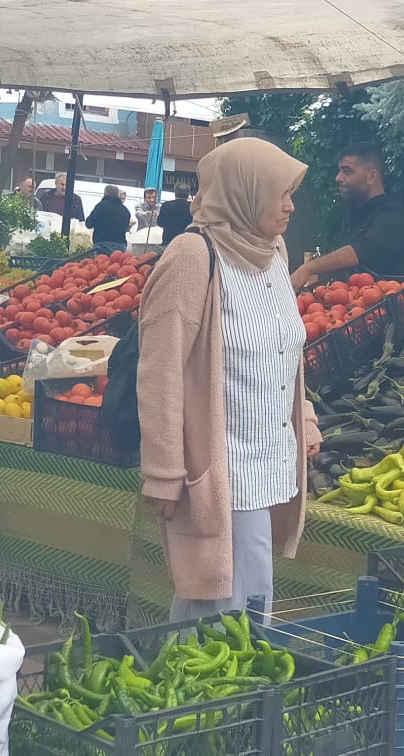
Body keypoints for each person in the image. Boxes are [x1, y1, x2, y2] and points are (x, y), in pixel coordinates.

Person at [137, 138, 320, 620]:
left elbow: (285, 346)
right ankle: (194, 692)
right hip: (222, 465)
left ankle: (230, 690)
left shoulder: (274, 253)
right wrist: (163, 470)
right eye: (279, 193)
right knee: (216, 600)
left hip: (269, 459)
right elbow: (159, 371)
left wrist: (305, 418)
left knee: (250, 595)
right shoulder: (192, 257)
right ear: (244, 192)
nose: (290, 205)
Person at [289, 142, 404, 289]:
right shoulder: (353, 210)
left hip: (383, 304)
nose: (338, 178)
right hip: (347, 305)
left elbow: (362, 250)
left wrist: (309, 268)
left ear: (371, 177)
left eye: (347, 171)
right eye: (339, 171)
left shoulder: (393, 215)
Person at [87, 184, 133, 253]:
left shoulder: (101, 206)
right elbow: (125, 228)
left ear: (105, 193)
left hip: (102, 247)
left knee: (101, 263)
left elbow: (88, 223)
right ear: (117, 195)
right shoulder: (125, 211)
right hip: (120, 248)